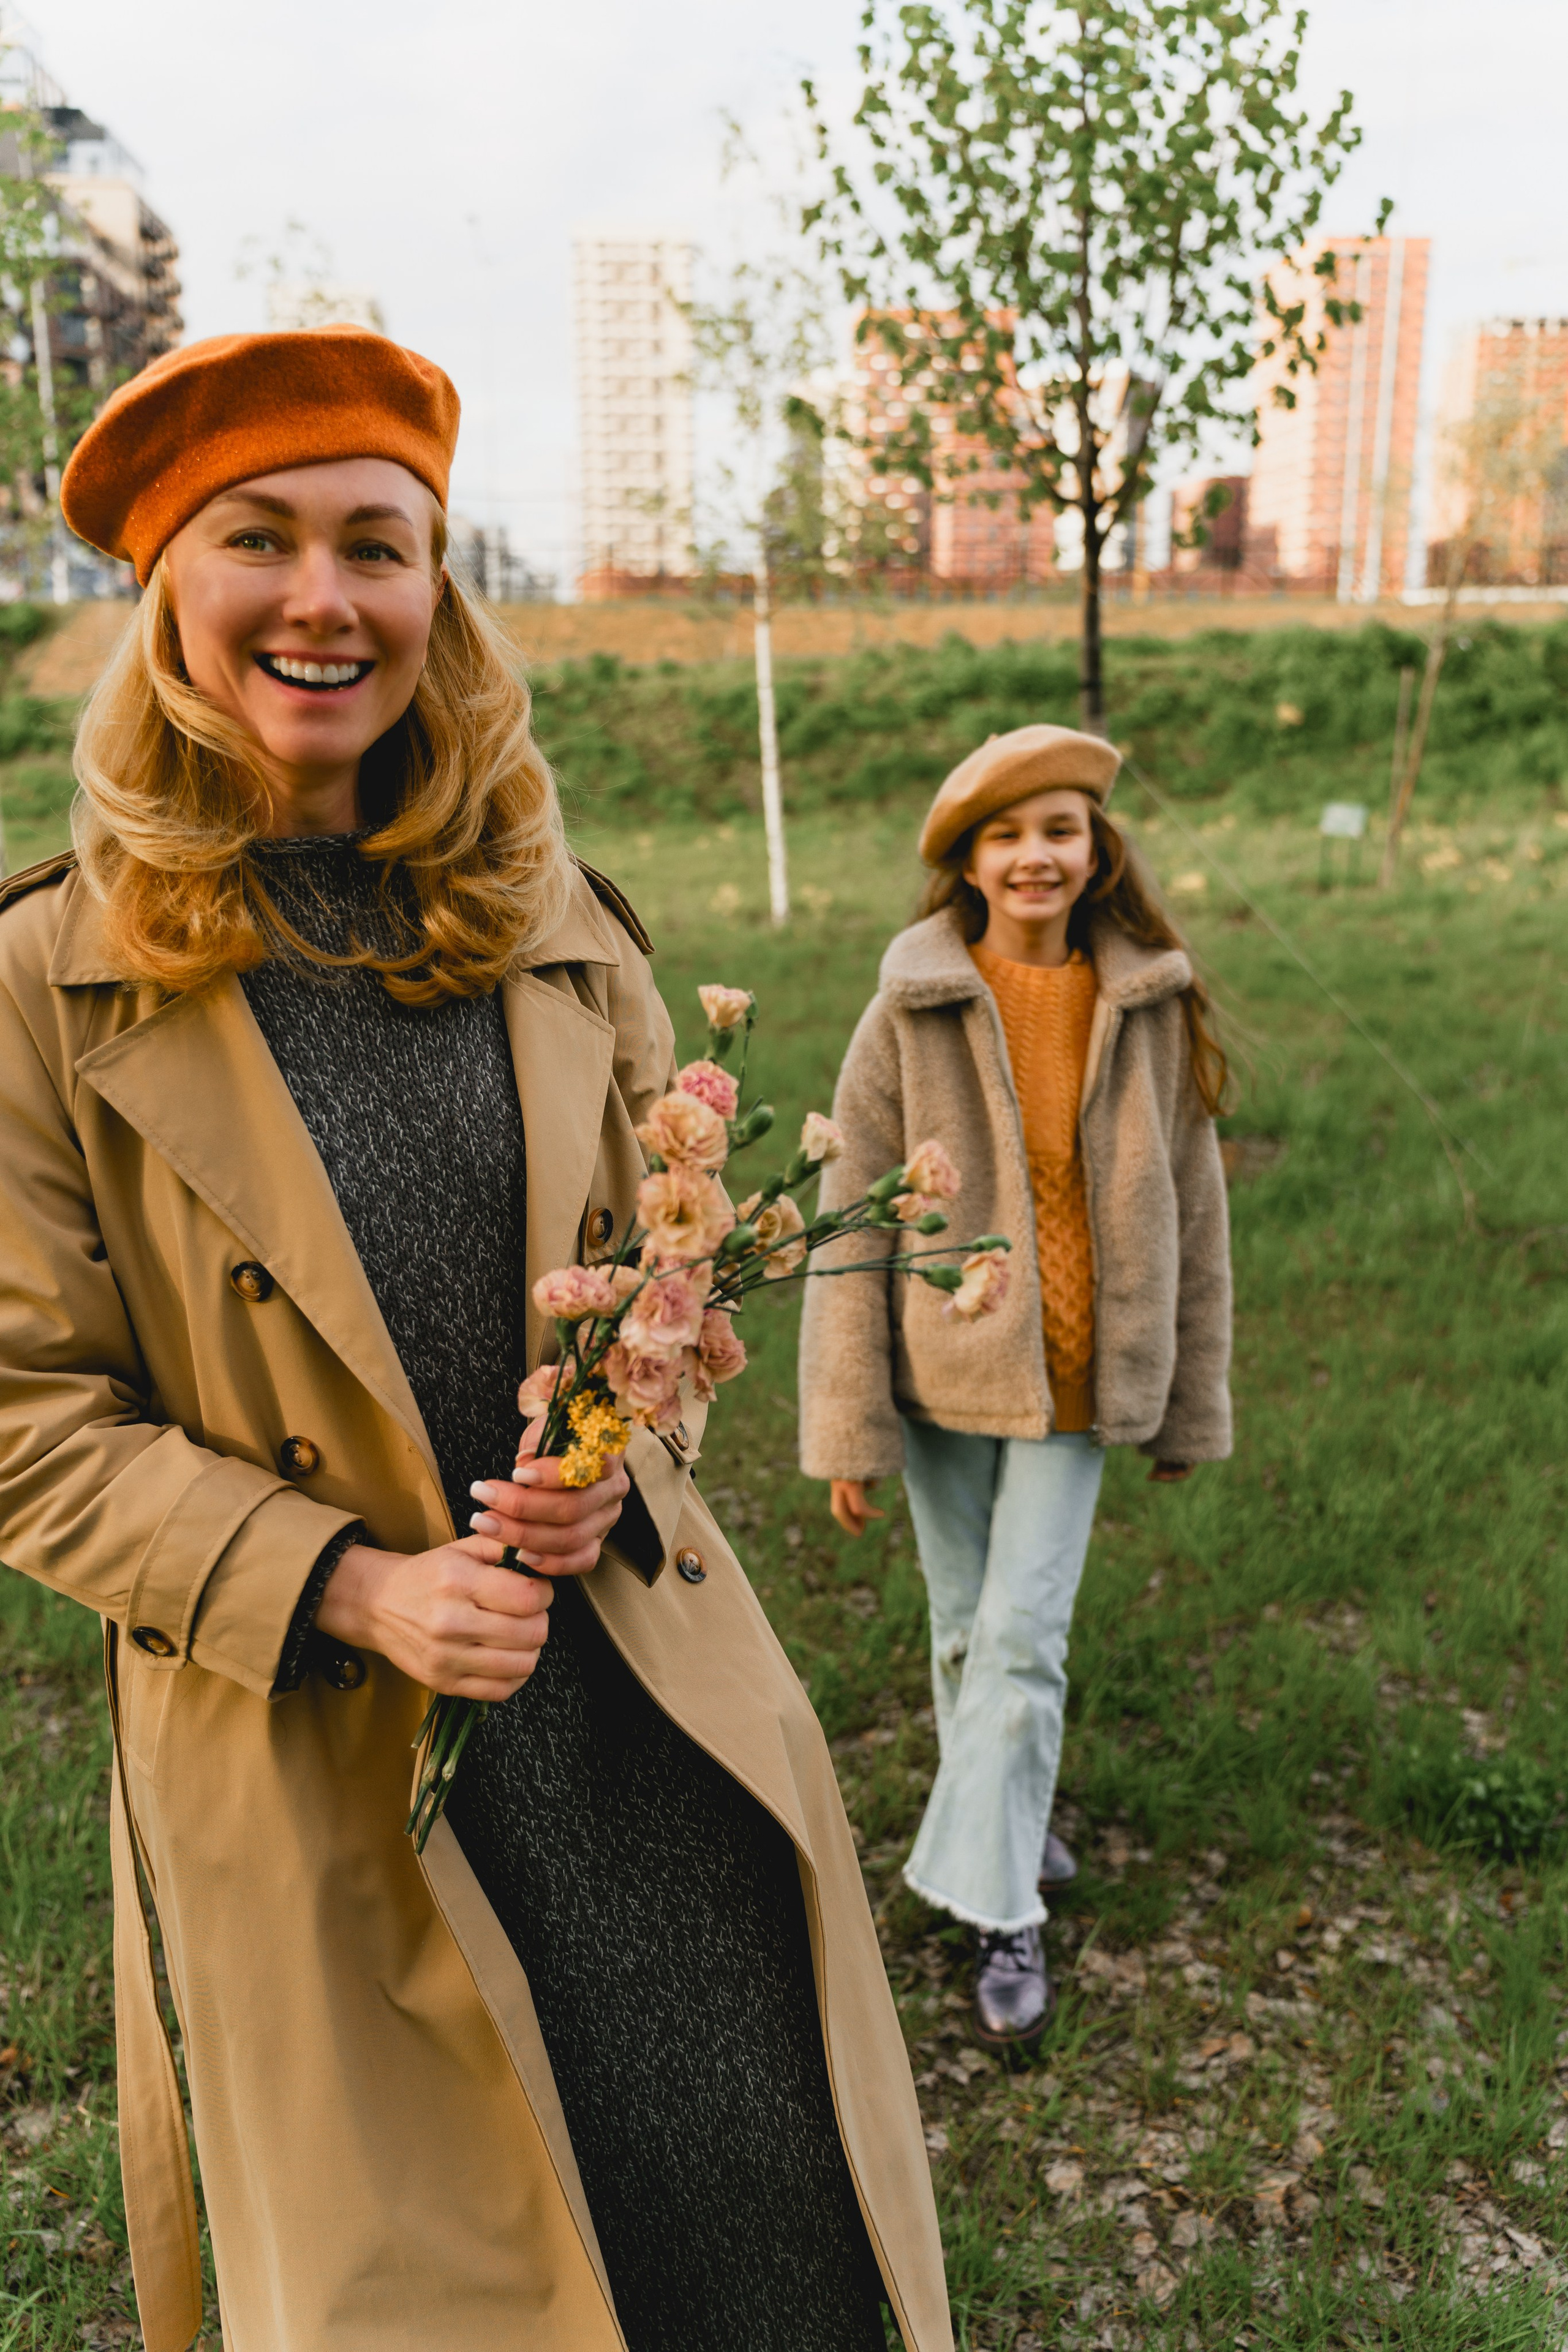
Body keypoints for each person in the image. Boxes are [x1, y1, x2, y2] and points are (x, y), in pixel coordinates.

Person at [0, 329, 952, 2352]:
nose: (323, 598)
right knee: (432, 2289)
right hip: (322, 1761)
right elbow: (24, 1416)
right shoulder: (39, 981)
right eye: (257, 539)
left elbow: (647, 1296)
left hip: (634, 1707)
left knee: (763, 2237)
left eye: (379, 542)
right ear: (163, 589)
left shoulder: (550, 914)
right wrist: (341, 1580)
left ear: (440, 589)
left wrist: (631, 1417)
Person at [798, 726, 1233, 2054]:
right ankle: (1013, 1813)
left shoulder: (1146, 1003)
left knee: (1022, 1636)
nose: (1035, 855)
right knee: (959, 1631)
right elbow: (850, 1217)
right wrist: (846, 1424)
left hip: (1084, 1381)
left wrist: (1187, 1399)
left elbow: (1193, 1208)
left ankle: (999, 1913)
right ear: (965, 864)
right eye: (1005, 835)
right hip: (945, 1377)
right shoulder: (908, 1011)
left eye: (1059, 828)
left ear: (1096, 849)